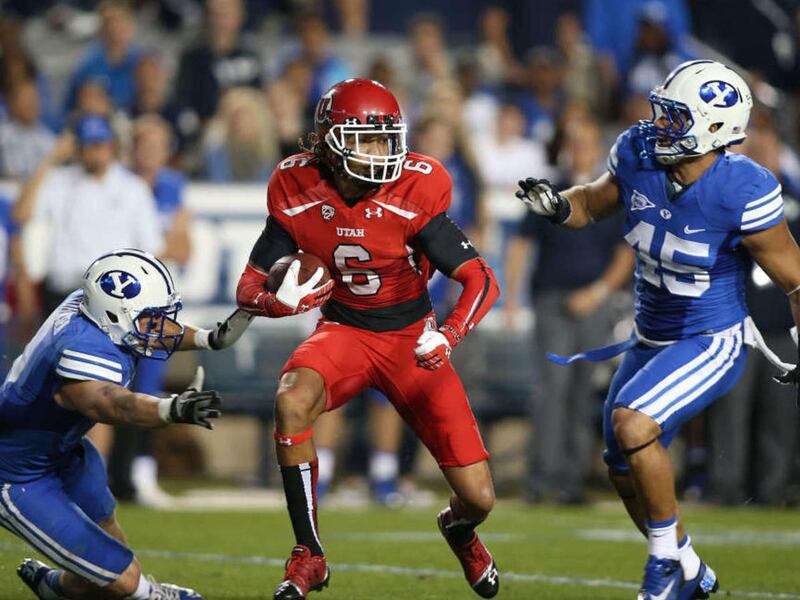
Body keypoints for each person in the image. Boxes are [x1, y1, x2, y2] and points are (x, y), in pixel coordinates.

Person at [515, 59, 800, 600]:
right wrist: (557, 206)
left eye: (676, 117)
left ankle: (664, 567)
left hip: (710, 338)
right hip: (649, 337)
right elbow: (591, 204)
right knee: (623, 468)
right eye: (663, 112)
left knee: (633, 424)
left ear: (715, 128)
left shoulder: (742, 187)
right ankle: (690, 567)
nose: (660, 125)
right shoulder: (639, 153)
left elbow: (795, 279)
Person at [235, 78, 501, 600]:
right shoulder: (296, 188)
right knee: (291, 400)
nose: (381, 153)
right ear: (331, 142)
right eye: (366, 140)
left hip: (412, 340)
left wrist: (448, 334)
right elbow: (248, 284)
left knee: (480, 498)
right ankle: (308, 554)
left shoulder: (414, 189)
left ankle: (459, 529)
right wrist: (275, 301)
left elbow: (481, 278)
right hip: (344, 330)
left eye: (386, 139)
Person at [2, 248, 252, 600]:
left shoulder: (93, 309)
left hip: (63, 449)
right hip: (16, 472)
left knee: (109, 539)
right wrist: (170, 409)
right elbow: (114, 405)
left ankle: (53, 587)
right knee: (127, 581)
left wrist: (208, 338)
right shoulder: (80, 348)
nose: (162, 325)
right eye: (152, 317)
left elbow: (148, 329)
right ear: (115, 314)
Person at [505, 118, 634, 505]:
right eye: (575, 140)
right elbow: (520, 245)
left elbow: (624, 254)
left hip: (593, 304)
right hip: (551, 299)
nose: (581, 148)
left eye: (587, 141)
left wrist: (596, 293)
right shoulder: (549, 188)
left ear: (598, 147)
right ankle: (540, 479)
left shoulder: (610, 193)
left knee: (581, 393)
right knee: (551, 391)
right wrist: (511, 298)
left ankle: (570, 481)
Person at [12, 114, 162, 315]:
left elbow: (152, 249)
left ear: (111, 146)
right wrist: (51, 159)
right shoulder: (59, 180)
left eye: (99, 145)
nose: (93, 153)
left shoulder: (132, 188)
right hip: (62, 293)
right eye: (87, 145)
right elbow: (20, 214)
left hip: (112, 296)